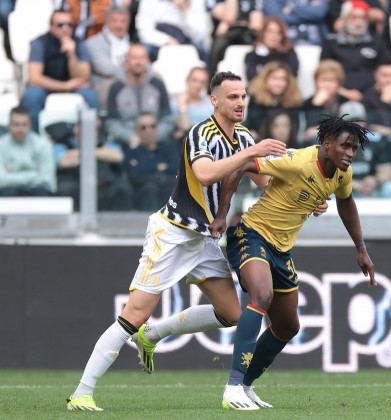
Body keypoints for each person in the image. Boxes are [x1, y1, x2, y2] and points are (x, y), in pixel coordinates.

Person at [66, 72, 288, 412]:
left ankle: (153, 335)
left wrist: (302, 195)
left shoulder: (243, 137)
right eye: (232, 97)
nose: (241, 102)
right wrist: (252, 152)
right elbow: (204, 174)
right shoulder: (201, 132)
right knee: (134, 314)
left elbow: (263, 180)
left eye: (243, 96)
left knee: (231, 313)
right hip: (172, 233)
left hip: (205, 240)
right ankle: (82, 392)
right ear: (215, 100)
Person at [212, 114, 376, 410]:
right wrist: (223, 213)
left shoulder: (342, 174)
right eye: (345, 146)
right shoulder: (296, 161)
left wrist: (361, 248)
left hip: (281, 250)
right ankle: (232, 385)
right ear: (326, 143)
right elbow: (244, 164)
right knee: (262, 295)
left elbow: (346, 202)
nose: (350, 154)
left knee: (288, 326)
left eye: (354, 148)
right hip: (250, 235)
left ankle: (245, 386)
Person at [20, 10, 99, 132]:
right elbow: (34, 78)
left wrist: (71, 54)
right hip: (46, 85)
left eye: (69, 25)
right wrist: (64, 86)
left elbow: (84, 77)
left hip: (72, 85)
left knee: (90, 95)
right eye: (60, 25)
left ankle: (94, 135)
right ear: (51, 26)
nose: (65, 29)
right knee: (32, 95)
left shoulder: (79, 44)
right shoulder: (40, 43)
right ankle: (32, 136)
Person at [50, 119, 133, 211]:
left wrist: (80, 154)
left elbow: (118, 156)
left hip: (104, 185)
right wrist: (100, 154)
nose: (91, 131)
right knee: (65, 189)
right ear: (76, 128)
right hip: (75, 183)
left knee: (122, 188)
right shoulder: (62, 145)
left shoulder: (106, 144)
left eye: (95, 128)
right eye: (87, 126)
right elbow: (63, 162)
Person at [320, 0, 391, 98]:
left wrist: (378, 87)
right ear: (345, 19)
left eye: (363, 17)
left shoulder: (376, 42)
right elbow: (323, 72)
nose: (358, 22)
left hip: (373, 94)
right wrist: (343, 92)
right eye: (354, 17)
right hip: (338, 94)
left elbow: (388, 67)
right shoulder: (332, 42)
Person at [105, 44, 175, 144]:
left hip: (156, 141)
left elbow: (167, 119)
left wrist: (153, 137)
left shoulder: (157, 84)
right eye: (134, 58)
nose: (138, 62)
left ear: (147, 61)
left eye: (142, 58)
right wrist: (129, 137)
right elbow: (112, 123)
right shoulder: (116, 87)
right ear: (127, 61)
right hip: (126, 142)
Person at [123, 112, 180, 211]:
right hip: (145, 201)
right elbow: (135, 176)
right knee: (149, 189)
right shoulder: (132, 151)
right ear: (136, 130)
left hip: (170, 200)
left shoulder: (169, 147)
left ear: (157, 128)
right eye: (143, 127)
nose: (148, 131)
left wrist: (149, 169)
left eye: (152, 126)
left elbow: (177, 169)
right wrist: (160, 168)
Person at [0, 106, 55, 197]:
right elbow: (1, 180)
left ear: (30, 125)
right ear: (9, 125)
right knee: (7, 193)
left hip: (37, 190)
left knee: (42, 193)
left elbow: (47, 180)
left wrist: (11, 175)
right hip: (10, 191)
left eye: (24, 125)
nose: (20, 129)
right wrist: (35, 174)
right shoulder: (1, 145)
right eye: (16, 125)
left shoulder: (43, 145)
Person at [85, 5, 132, 109]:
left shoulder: (131, 44)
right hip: (104, 82)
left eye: (123, 21)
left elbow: (144, 65)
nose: (119, 25)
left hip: (130, 80)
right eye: (114, 21)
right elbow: (106, 69)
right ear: (106, 22)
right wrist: (132, 71)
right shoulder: (93, 43)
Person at [135, 0, 211, 63]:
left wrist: (184, 9)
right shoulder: (148, 1)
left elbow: (198, 36)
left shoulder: (195, 2)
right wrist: (166, 41)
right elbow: (144, 31)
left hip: (184, 40)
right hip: (157, 40)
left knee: (201, 49)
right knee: (143, 51)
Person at [244, 61, 303, 138]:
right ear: (265, 80)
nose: (278, 83)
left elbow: (295, 129)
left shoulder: (293, 101)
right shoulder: (256, 99)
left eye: (283, 79)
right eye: (274, 78)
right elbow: (250, 124)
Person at [208, 0, 264, 76]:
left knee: (257, 44)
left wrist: (226, 23)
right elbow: (230, 16)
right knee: (218, 47)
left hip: (246, 33)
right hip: (226, 36)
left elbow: (257, 24)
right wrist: (240, 22)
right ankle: (212, 82)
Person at [301, 59, 347, 144]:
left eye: (331, 81)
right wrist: (315, 105)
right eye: (323, 80)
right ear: (316, 82)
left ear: (339, 83)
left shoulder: (345, 102)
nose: (327, 85)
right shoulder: (307, 103)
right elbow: (308, 133)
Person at [244, 16, 299, 82]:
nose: (274, 36)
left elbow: (292, 75)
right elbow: (252, 78)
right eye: (270, 32)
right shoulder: (252, 55)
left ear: (282, 36)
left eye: (278, 33)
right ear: (262, 33)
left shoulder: (289, 53)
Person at [172, 66, 214, 140]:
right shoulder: (175, 103)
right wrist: (182, 106)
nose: (198, 85)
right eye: (194, 80)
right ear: (187, 80)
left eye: (202, 82)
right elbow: (184, 127)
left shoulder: (211, 104)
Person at [263, 0, 329, 46]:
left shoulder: (291, 9)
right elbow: (276, 18)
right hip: (287, 46)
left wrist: (292, 9)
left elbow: (319, 13)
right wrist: (309, 16)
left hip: (316, 43)